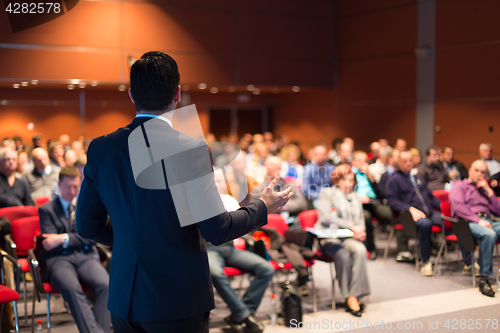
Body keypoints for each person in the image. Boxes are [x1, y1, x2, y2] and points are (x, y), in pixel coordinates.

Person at [76, 51, 291, 333]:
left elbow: (86, 225)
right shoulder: (190, 149)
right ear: (177, 93)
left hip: (124, 298)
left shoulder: (101, 148)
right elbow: (216, 229)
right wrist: (262, 206)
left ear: (131, 95)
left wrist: (135, 239)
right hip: (177, 299)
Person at [39, 166, 110, 333]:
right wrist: (78, 239)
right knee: (72, 289)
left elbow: (91, 238)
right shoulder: (46, 209)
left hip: (86, 256)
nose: (72, 191)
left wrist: (63, 238)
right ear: (59, 185)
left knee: (106, 285)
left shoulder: (86, 207)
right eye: (68, 186)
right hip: (59, 260)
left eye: (76, 187)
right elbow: (49, 243)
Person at [208, 171, 274, 333]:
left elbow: (242, 225)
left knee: (266, 268)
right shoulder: (204, 202)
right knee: (215, 273)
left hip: (229, 248)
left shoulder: (230, 200)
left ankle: (242, 313)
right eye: (215, 181)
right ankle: (244, 316)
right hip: (210, 248)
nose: (219, 184)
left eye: (221, 181)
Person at [316, 164, 371, 317]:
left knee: (360, 250)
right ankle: (349, 297)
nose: (349, 184)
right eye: (345, 180)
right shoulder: (327, 193)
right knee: (343, 255)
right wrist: (352, 226)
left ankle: (354, 295)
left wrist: (360, 230)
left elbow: (360, 219)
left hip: (348, 237)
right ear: (337, 180)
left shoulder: (355, 196)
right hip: (330, 238)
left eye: (351, 180)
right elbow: (325, 218)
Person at [385, 150, 443, 275]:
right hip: (408, 216)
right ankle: (425, 261)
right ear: (399, 162)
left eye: (410, 160)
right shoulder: (394, 179)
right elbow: (392, 201)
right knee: (425, 224)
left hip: (429, 212)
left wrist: (443, 206)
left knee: (451, 221)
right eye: (405, 161)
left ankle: (467, 262)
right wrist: (410, 209)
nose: (408, 163)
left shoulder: (418, 178)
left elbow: (430, 197)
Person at [449, 160, 500, 297]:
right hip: (467, 223)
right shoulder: (459, 186)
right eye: (477, 170)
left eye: (483, 172)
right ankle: (484, 279)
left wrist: (489, 191)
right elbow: (459, 208)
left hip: (487, 221)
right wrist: (478, 220)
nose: (480, 174)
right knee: (489, 234)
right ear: (470, 170)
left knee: (489, 230)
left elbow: (498, 211)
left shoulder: (484, 189)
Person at [351, 151, 393, 260]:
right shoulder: (350, 174)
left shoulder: (370, 173)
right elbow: (347, 193)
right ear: (353, 162)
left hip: (373, 202)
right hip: (358, 205)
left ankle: (404, 248)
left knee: (389, 214)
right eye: (359, 161)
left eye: (364, 161)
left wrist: (371, 177)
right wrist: (358, 197)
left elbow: (380, 194)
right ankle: (370, 248)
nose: (361, 163)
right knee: (366, 218)